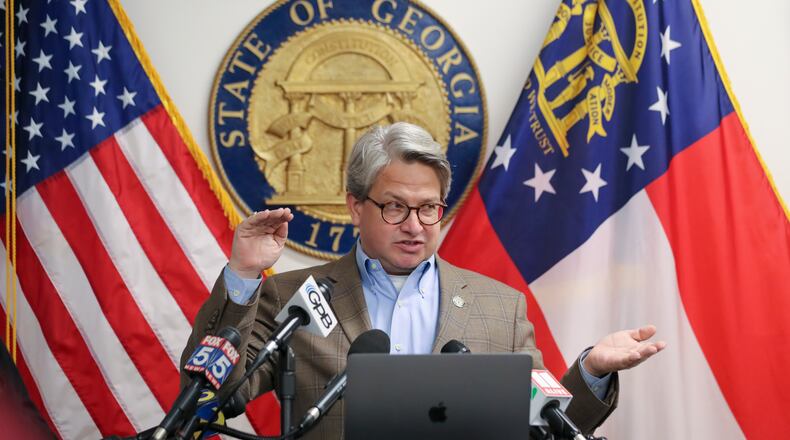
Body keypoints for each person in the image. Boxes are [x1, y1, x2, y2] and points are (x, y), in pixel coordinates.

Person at [181, 122, 666, 439]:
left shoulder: (500, 307)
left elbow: (543, 428)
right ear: (356, 207)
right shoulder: (293, 296)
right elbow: (209, 395)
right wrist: (244, 274)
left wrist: (591, 371)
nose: (415, 225)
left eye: (429, 208)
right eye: (395, 207)